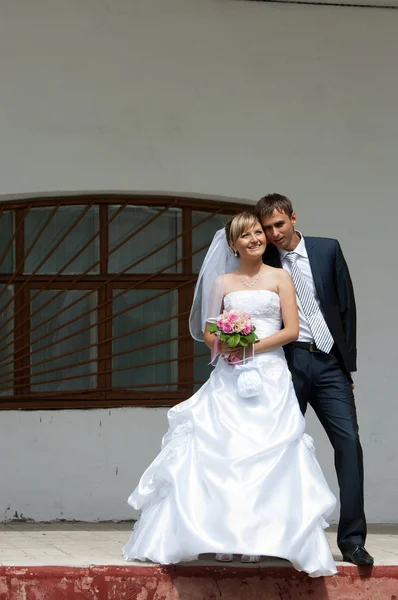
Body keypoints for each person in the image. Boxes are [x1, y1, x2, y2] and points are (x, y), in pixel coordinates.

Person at [123, 212, 337, 577]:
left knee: (265, 453)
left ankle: (257, 539)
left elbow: (292, 330)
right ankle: (221, 538)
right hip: (230, 376)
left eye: (258, 232)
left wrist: (252, 348)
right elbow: (208, 333)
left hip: (269, 374)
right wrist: (224, 342)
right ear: (233, 243)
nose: (255, 238)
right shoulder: (222, 281)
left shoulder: (281, 277)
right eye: (246, 235)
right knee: (223, 451)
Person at [255, 194, 373, 566]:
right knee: (278, 448)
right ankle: (276, 537)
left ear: (293, 218)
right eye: (268, 228)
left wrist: (346, 367)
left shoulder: (326, 250)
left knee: (349, 445)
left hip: (328, 364)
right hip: (286, 364)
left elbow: (346, 307)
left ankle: (353, 541)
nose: (274, 234)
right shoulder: (265, 260)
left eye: (279, 225)